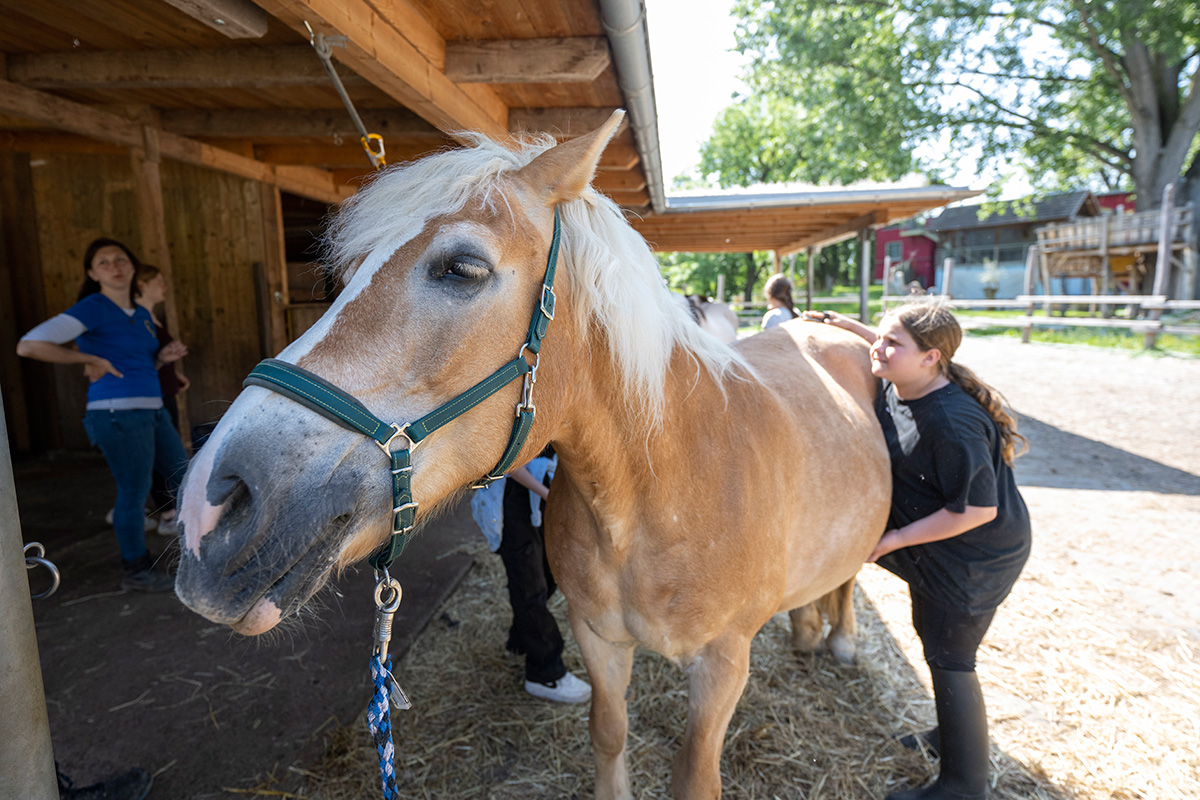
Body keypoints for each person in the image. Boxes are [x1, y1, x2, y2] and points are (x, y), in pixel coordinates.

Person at [804, 300, 1031, 800]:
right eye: (879, 337)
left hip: (974, 555)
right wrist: (849, 327)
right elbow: (887, 345)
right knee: (931, 637)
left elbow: (976, 511)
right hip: (944, 550)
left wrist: (893, 540)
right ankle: (948, 736)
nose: (878, 349)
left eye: (891, 344)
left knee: (952, 657)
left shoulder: (951, 422)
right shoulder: (907, 380)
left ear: (931, 358)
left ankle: (963, 785)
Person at [16, 238, 192, 593]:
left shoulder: (141, 316)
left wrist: (163, 360)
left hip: (153, 410)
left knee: (186, 475)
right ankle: (137, 570)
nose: (115, 266)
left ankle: (200, 551)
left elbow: (138, 362)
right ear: (92, 273)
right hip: (117, 414)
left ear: (132, 267)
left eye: (121, 259)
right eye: (104, 262)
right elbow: (29, 345)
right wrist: (87, 359)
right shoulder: (93, 307)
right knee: (134, 491)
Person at [470, 449, 592, 704]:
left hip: (540, 491)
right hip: (511, 496)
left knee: (547, 575)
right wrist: (550, 495)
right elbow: (507, 462)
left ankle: (520, 641)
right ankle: (545, 673)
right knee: (530, 585)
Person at [135, 265, 190, 535]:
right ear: (142, 285)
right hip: (150, 394)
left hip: (164, 389)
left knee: (167, 452)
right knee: (158, 456)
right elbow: (139, 361)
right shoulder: (136, 318)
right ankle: (166, 512)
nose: (164, 286)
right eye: (159, 281)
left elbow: (156, 356)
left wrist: (174, 375)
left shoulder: (150, 317)